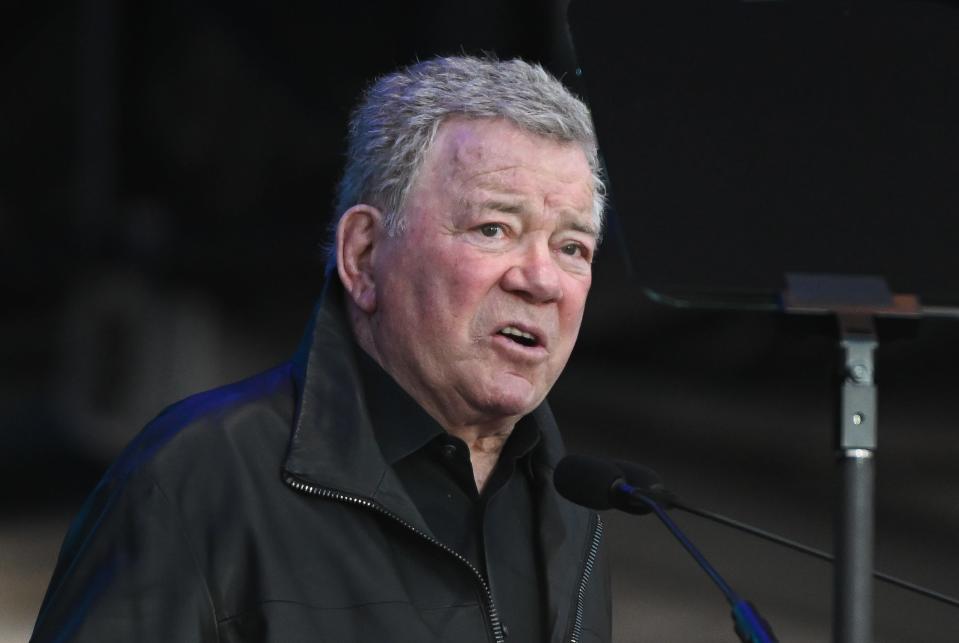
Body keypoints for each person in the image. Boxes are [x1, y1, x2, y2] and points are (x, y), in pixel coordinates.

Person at [31, 55, 611, 643]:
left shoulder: (573, 501)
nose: (542, 280)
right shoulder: (196, 480)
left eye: (572, 247)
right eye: (494, 229)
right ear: (362, 255)